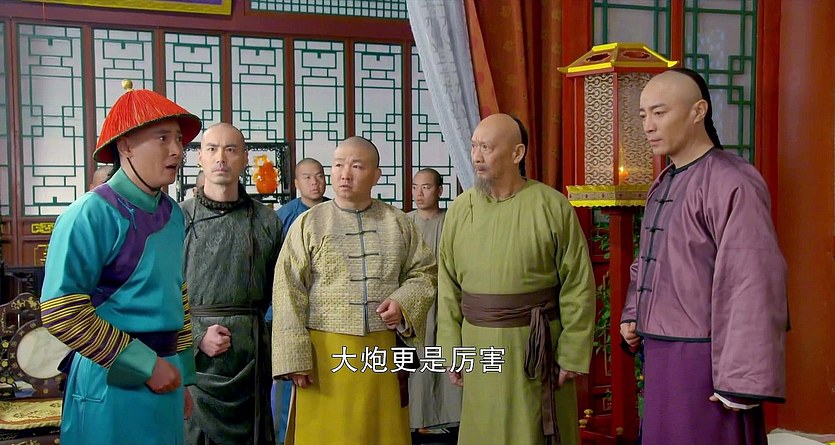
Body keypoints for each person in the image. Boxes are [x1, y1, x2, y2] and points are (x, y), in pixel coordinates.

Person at [619, 68, 788, 445]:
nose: (648, 125)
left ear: (698, 111)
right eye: (643, 115)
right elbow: (646, 262)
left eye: (659, 112)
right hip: (662, 351)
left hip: (707, 359)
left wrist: (741, 382)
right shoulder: (665, 181)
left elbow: (753, 279)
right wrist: (633, 314)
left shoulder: (732, 180)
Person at [40, 80, 202, 445]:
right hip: (111, 377)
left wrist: (184, 376)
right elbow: (61, 309)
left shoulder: (173, 214)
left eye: (179, 139)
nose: (177, 150)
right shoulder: (89, 214)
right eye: (163, 138)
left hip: (166, 375)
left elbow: (177, 293)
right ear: (125, 145)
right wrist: (145, 365)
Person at [437, 113, 596, 445]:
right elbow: (448, 288)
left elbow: (578, 284)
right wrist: (451, 350)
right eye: (474, 146)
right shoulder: (460, 209)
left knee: (534, 429)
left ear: (517, 153)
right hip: (478, 346)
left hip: (536, 344)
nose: (477, 156)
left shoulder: (552, 205)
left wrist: (571, 352)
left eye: (487, 147)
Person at [272, 136, 436, 445]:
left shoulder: (398, 223)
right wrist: (294, 357)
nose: (345, 174)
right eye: (338, 165)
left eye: (357, 166)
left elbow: (425, 273)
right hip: (322, 356)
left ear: (376, 175)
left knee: (380, 433)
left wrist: (402, 303)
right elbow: (287, 291)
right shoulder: (309, 223)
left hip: (380, 353)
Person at [181, 123, 281, 444]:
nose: (221, 158)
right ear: (200, 158)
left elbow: (281, 293)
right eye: (212, 149)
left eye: (231, 149)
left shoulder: (267, 221)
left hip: (251, 355)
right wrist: (197, 337)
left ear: (245, 159)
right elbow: (160, 295)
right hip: (195, 360)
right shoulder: (177, 218)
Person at [269, 157, 328, 444]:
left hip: (326, 312)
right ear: (295, 183)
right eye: (307, 177)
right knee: (289, 381)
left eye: (319, 176)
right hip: (289, 310)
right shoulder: (284, 216)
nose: (314, 182)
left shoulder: (335, 211)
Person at [407, 168, 462, 438]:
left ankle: (451, 419)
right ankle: (416, 421)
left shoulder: (452, 221)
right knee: (418, 364)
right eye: (415, 187)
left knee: (446, 356)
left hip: (448, 299)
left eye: (426, 187)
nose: (419, 193)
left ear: (440, 190)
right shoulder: (404, 222)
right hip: (414, 304)